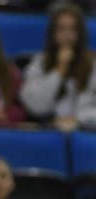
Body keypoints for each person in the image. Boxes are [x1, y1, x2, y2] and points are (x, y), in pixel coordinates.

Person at [20, 3, 96, 131]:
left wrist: (78, 118)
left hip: (86, 132)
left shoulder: (92, 65)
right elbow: (36, 107)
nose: (67, 35)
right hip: (49, 132)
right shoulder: (39, 64)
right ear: (52, 33)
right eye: (61, 29)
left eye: (73, 29)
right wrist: (59, 71)